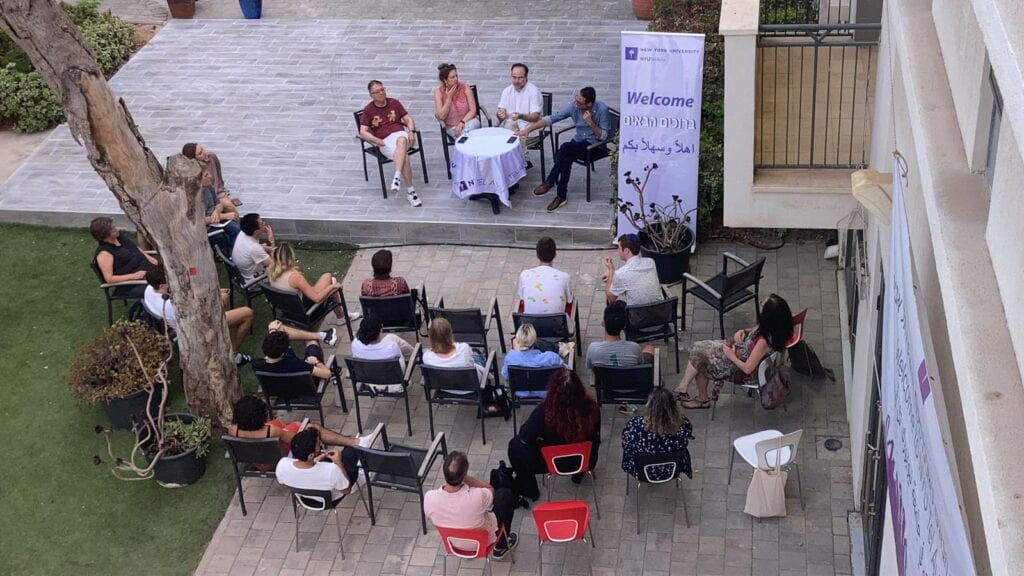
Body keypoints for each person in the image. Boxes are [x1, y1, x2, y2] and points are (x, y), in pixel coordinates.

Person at [675, 294, 794, 410]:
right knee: (698, 350)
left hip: (738, 368)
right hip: (737, 351)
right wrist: (743, 331)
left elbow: (747, 369)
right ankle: (685, 390)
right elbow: (756, 329)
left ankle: (697, 396)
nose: (761, 305)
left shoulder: (763, 343)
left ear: (769, 316)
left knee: (699, 358)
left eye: (763, 305)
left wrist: (731, 355)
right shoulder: (776, 327)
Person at [507, 369, 601, 501]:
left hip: (553, 461)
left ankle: (530, 490)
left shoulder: (544, 412)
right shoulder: (592, 408)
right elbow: (596, 437)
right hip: (585, 460)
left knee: (515, 446)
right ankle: (578, 475)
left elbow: (525, 437)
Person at [516, 87, 614, 212]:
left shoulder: (602, 109)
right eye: (576, 100)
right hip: (578, 142)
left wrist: (590, 123)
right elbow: (552, 118)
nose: (576, 104)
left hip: (595, 146)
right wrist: (528, 130)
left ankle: (551, 181)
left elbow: (604, 136)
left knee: (564, 149)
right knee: (565, 154)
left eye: (579, 102)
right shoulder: (574, 106)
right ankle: (561, 195)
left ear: (589, 104)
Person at [142, 267, 254, 363]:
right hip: (196, 329)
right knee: (247, 313)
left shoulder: (149, 290)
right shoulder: (171, 306)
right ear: (162, 285)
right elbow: (200, 313)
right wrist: (213, 294)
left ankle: (222, 337)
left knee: (224, 297)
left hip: (185, 320)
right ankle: (232, 354)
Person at [424, 451, 519, 560]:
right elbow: (491, 489)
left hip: (453, 543)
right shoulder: (477, 496)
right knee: (504, 495)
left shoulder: (429, 498)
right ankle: (501, 546)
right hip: (481, 542)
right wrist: (468, 479)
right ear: (464, 474)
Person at [227, 394, 364, 456]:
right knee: (310, 428)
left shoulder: (232, 430)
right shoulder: (272, 431)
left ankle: (352, 441)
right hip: (276, 458)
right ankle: (353, 442)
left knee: (287, 424)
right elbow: (297, 440)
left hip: (256, 458)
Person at [359, 80, 423, 207]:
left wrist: (411, 131)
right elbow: (362, 132)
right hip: (384, 141)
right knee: (404, 156)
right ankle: (411, 192)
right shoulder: (368, 110)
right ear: (371, 95)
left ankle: (397, 176)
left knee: (402, 141)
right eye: (377, 92)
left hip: (402, 135)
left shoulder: (394, 102)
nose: (381, 93)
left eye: (382, 89)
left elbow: (408, 119)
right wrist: (375, 139)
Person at [268, 242, 360, 325]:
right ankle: (342, 317)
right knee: (332, 281)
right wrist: (332, 287)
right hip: (308, 313)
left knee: (327, 276)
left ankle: (342, 316)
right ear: (290, 256)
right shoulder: (295, 278)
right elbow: (317, 299)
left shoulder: (271, 272)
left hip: (288, 312)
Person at [276, 427, 369, 502]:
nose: (321, 445)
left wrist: (316, 460)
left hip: (304, 498)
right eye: (319, 446)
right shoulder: (331, 470)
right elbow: (347, 490)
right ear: (311, 455)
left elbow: (284, 481)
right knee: (350, 451)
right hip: (331, 497)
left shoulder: (282, 465)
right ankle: (362, 466)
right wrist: (338, 462)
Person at [621, 387, 694, 479]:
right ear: (673, 407)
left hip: (641, 470)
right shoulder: (683, 425)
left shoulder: (635, 425)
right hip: (673, 469)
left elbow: (625, 441)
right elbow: (688, 436)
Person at [91, 217, 158, 299]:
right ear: (105, 235)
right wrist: (134, 276)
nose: (117, 229)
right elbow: (109, 279)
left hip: (148, 270)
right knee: (165, 286)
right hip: (131, 284)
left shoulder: (119, 237)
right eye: (113, 229)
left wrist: (147, 256)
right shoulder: (104, 254)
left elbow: (134, 248)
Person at [250, 323, 340, 382]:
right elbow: (326, 374)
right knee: (312, 341)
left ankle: (323, 335)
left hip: (282, 392)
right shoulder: (297, 365)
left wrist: (272, 331)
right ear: (283, 351)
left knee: (279, 327)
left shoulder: (257, 365)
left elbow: (274, 341)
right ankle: (322, 336)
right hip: (305, 390)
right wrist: (316, 362)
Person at [501, 323, 567, 400]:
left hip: (521, 392)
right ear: (535, 340)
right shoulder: (551, 357)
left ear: (518, 341)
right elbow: (566, 371)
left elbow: (505, 375)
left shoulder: (510, 358)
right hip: (548, 392)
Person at [496, 62, 543, 166]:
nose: (516, 81)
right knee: (509, 124)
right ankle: (522, 162)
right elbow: (500, 115)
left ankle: (516, 165)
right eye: (514, 77)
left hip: (531, 129)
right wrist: (500, 114)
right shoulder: (507, 91)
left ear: (526, 77)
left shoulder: (533, 92)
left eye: (520, 78)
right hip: (512, 128)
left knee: (512, 137)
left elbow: (536, 117)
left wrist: (521, 116)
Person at [516, 237, 572, 315]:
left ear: (537, 255)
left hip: (530, 325)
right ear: (555, 255)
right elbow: (569, 300)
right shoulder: (564, 277)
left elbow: (522, 298)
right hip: (557, 326)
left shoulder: (524, 275)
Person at [602, 233, 662, 306]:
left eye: (619, 248)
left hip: (637, 316)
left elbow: (611, 297)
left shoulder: (621, 274)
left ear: (627, 251)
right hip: (660, 313)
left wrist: (611, 270)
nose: (618, 251)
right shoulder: (650, 262)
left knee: (614, 306)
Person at [182, 142, 242, 206]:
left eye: (203, 149)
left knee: (228, 206)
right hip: (203, 196)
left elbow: (219, 175)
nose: (204, 152)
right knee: (227, 206)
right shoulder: (190, 170)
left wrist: (221, 190)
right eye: (200, 153)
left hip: (217, 192)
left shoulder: (212, 157)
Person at [433, 63, 480, 139]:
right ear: (445, 80)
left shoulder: (465, 87)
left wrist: (461, 123)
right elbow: (441, 116)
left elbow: (473, 110)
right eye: (452, 77)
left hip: (469, 122)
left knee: (466, 132)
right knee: (462, 135)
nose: (456, 79)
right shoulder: (438, 92)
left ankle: (463, 145)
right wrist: (449, 98)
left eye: (456, 76)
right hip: (452, 127)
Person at [200, 168, 240, 254]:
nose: (210, 177)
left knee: (236, 228)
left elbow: (219, 204)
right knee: (223, 238)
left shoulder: (209, 187)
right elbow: (197, 221)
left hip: (217, 221)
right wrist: (223, 216)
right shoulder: (194, 198)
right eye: (206, 175)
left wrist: (217, 212)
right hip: (205, 227)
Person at [232, 213, 274, 284]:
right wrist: (271, 240)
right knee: (285, 267)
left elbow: (257, 248)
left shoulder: (243, 233)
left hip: (244, 273)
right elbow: (273, 265)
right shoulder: (254, 248)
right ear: (256, 231)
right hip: (253, 281)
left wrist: (270, 248)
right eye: (261, 223)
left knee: (266, 247)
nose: (264, 223)